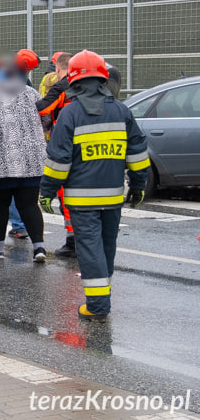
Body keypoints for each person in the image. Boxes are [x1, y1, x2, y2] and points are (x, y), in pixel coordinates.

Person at [39, 50, 149, 322]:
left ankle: (98, 306)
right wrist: (138, 186)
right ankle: (102, 296)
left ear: (73, 80)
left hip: (81, 201)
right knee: (107, 247)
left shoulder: (69, 114)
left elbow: (58, 161)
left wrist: (47, 192)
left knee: (90, 250)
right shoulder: (122, 111)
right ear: (103, 78)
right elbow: (137, 153)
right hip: (113, 198)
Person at [0, 52, 47, 261]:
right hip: (30, 163)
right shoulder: (31, 94)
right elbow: (46, 118)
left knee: (0, 206)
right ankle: (39, 248)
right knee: (30, 204)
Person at [36, 52, 76, 257]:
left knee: (65, 192)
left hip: (65, 146)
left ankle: (73, 240)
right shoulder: (98, 86)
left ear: (58, 69)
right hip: (92, 148)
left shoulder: (62, 87)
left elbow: (42, 109)